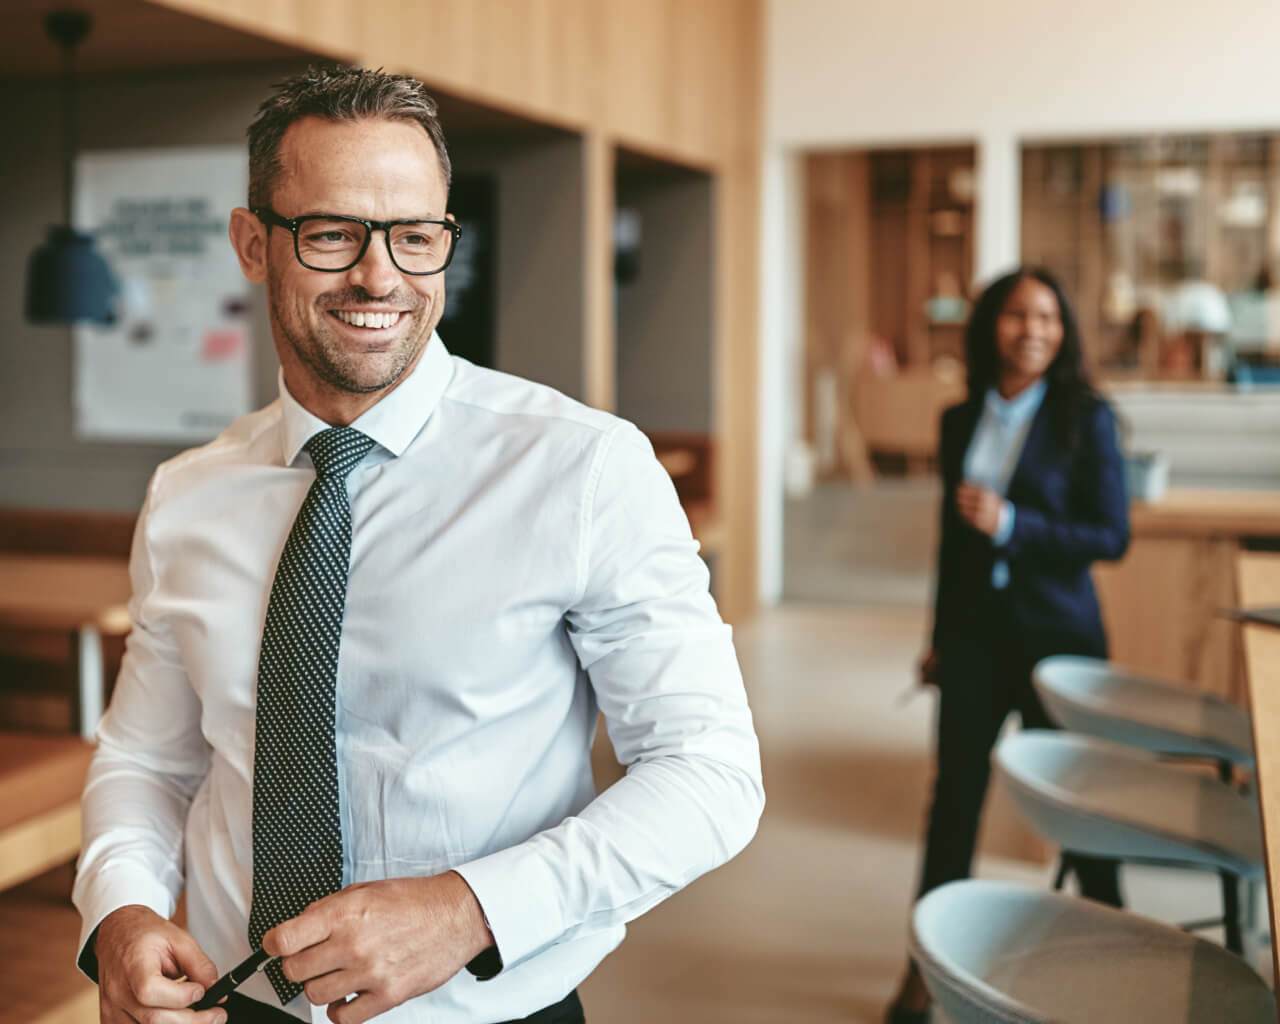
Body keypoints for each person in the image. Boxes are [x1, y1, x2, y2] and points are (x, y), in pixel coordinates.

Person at [72, 67, 764, 1024]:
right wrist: (123, 912)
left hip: (490, 1009)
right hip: (235, 1006)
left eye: (416, 235)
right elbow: (149, 762)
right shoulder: (189, 495)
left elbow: (710, 773)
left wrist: (471, 910)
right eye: (331, 233)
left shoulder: (584, 469)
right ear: (251, 244)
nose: (379, 275)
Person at [885, 268, 1129, 1024]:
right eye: (1019, 314)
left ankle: (1122, 965)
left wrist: (1014, 524)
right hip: (975, 640)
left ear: (1065, 331)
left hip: (1060, 647)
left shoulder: (1086, 418)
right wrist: (935, 640)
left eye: (1049, 317)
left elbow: (1110, 535)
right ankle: (924, 968)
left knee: (1079, 810)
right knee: (953, 803)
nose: (1033, 330)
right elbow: (948, 545)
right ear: (992, 323)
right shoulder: (959, 418)